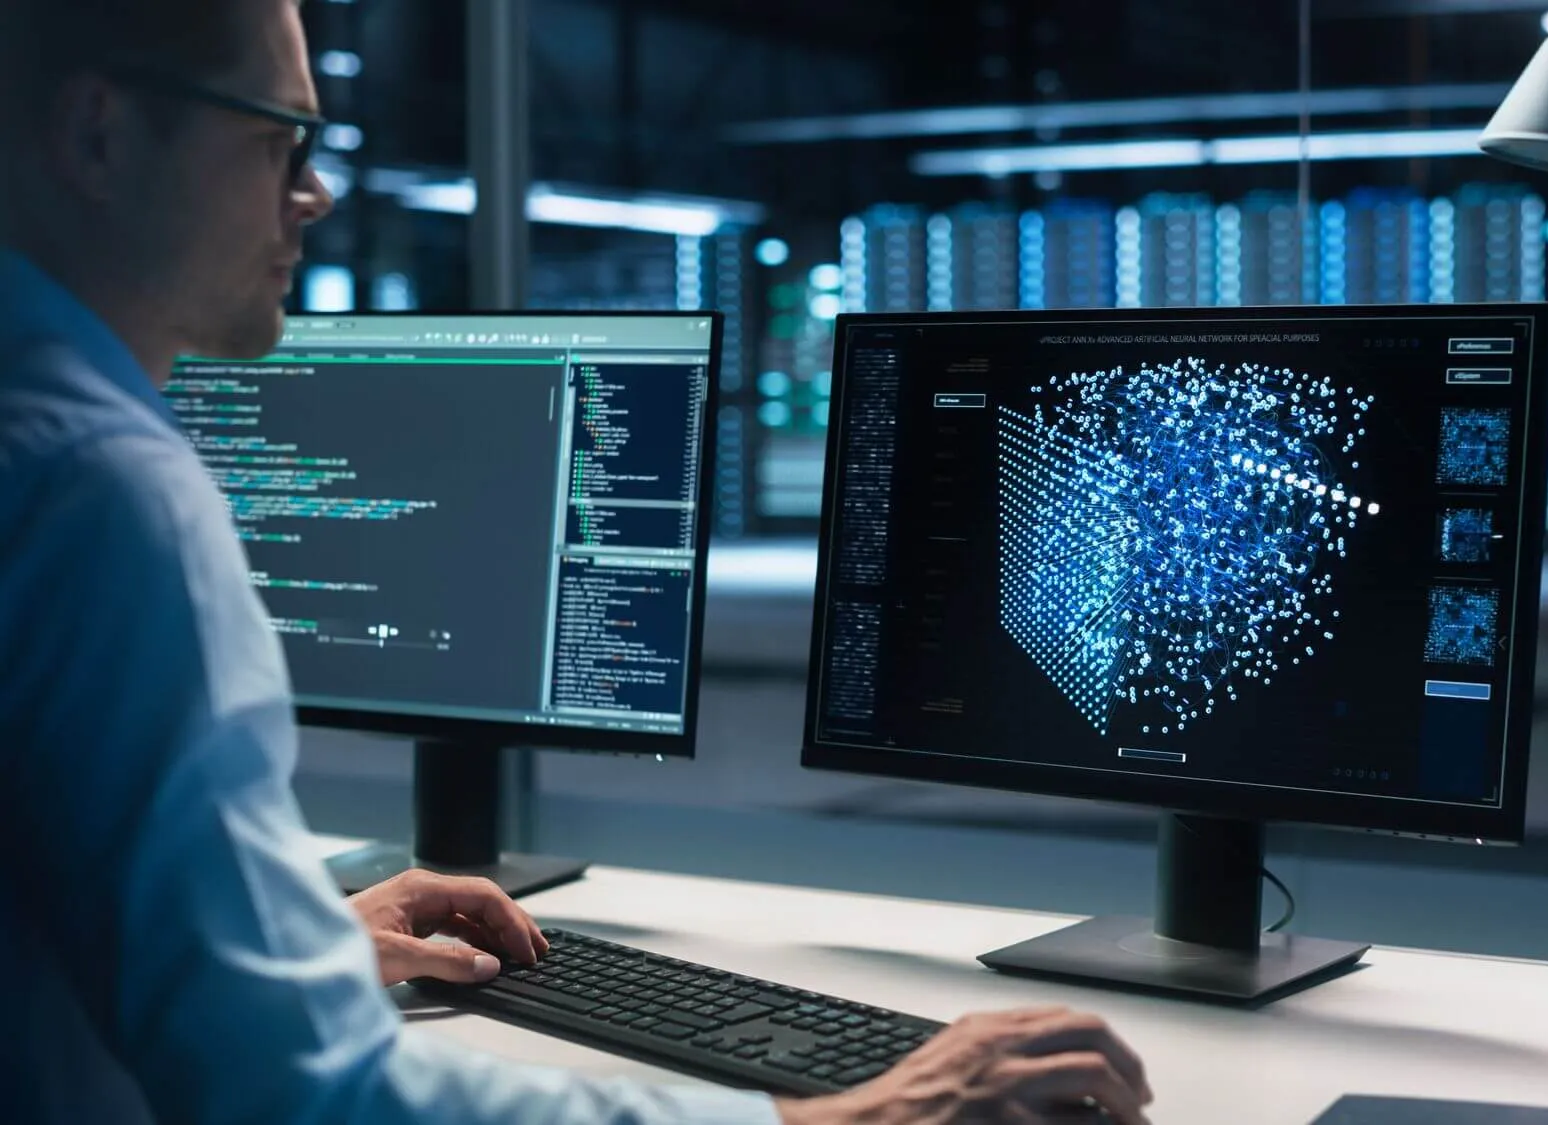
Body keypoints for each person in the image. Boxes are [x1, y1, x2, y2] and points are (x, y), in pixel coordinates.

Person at [0, 1, 1156, 1123]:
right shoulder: (100, 492)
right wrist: (840, 1122)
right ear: (99, 133)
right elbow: (312, 1097)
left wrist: (280, 946)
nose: (318, 190)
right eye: (279, 136)